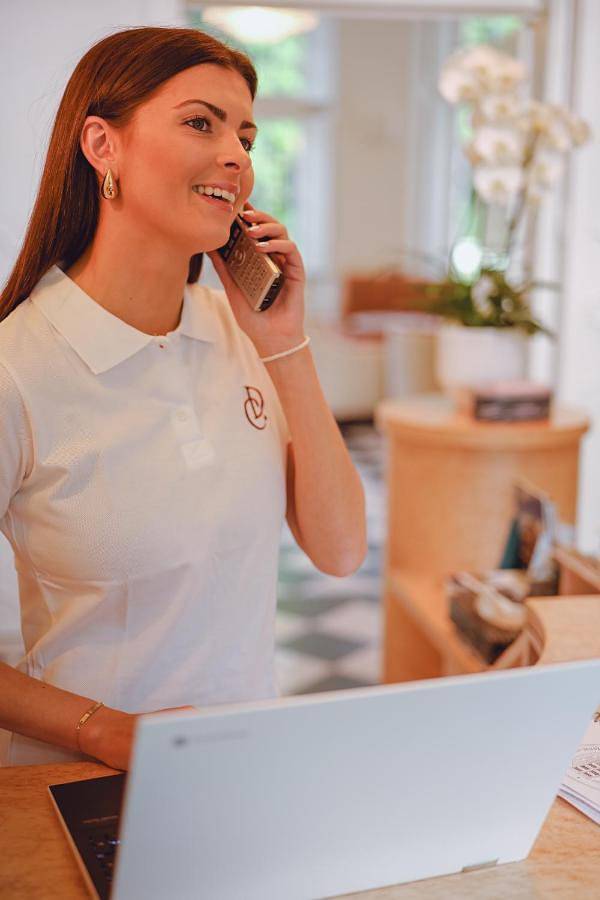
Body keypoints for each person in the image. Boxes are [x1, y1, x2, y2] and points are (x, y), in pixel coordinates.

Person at [0, 26, 366, 770]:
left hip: (240, 767)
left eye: (247, 134)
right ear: (103, 146)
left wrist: (285, 345)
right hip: (80, 783)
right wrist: (101, 729)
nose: (237, 155)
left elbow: (339, 550)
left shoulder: (238, 330)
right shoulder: (18, 368)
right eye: (202, 122)